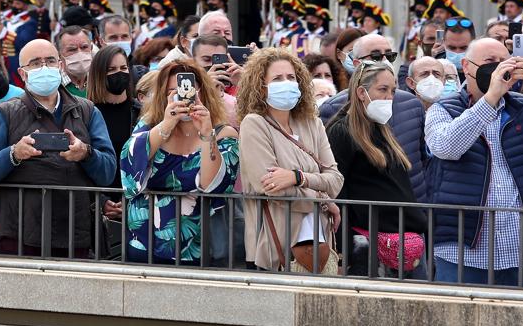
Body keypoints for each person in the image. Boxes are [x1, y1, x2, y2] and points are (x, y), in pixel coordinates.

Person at [424, 37, 523, 287]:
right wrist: (490, 98)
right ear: (466, 66)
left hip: (521, 249)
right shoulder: (443, 109)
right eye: (490, 62)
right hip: (463, 250)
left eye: (503, 62)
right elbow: (446, 147)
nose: (498, 68)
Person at [0, 39, 118, 257]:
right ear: (22, 73)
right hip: (21, 236)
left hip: (77, 235)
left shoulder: (87, 111)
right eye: (35, 63)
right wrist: (13, 154)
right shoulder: (5, 113)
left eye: (50, 61)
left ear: (61, 66)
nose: (44, 68)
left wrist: (86, 153)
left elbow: (108, 173)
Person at [120, 59, 239, 265]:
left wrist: (206, 134)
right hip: (143, 245)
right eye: (171, 91)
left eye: (187, 89)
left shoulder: (222, 133)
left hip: (196, 247)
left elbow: (214, 185)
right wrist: (166, 124)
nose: (180, 96)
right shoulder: (149, 127)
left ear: (201, 92)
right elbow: (129, 167)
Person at [237, 47, 344, 271]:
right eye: (277, 78)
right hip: (276, 241)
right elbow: (272, 187)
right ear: (261, 86)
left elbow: (336, 179)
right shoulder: (254, 123)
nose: (286, 83)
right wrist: (322, 198)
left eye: (291, 77)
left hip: (319, 239)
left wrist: (297, 178)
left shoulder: (311, 122)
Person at [325, 61, 426, 277]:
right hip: (367, 247)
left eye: (393, 91)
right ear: (362, 92)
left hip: (403, 243)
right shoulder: (342, 131)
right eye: (382, 89)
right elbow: (338, 193)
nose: (389, 97)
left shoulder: (381, 128)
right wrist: (343, 253)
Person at [319, 32, 427, 200]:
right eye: (375, 56)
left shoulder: (413, 104)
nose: (384, 61)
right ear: (356, 63)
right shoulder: (333, 109)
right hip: (366, 219)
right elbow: (334, 174)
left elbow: (422, 160)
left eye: (389, 56)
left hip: (413, 211)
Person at [87, 43, 137, 157]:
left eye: (123, 68)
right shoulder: (88, 113)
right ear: (99, 74)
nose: (119, 73)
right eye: (112, 69)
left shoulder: (140, 111)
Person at [57, 25, 96, 98]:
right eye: (72, 49)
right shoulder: (55, 85)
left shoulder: (100, 79)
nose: (79, 53)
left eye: (84, 47)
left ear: (91, 48)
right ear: (59, 54)